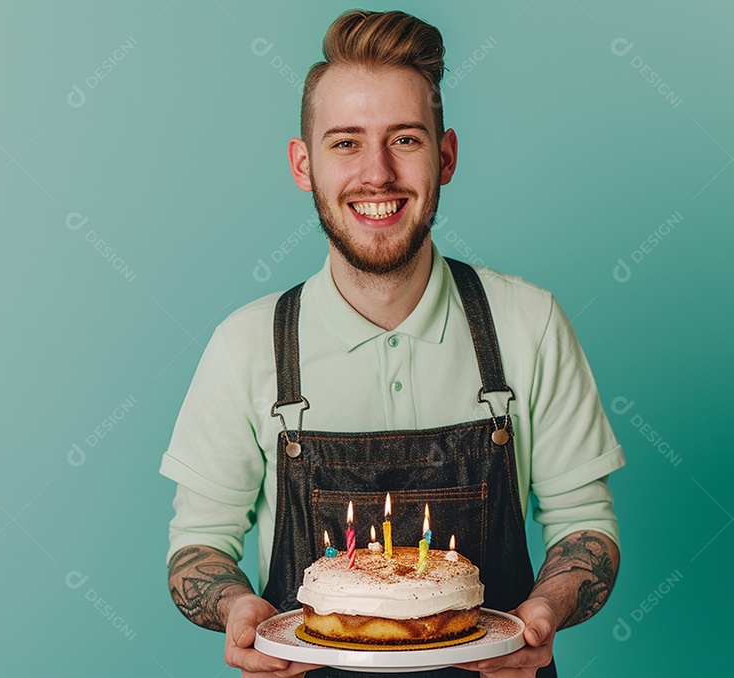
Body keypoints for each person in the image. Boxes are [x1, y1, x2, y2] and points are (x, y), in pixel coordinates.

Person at [161, 9, 624, 677]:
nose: (377, 173)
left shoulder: (530, 323)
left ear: (446, 156)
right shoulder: (247, 345)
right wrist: (236, 607)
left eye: (405, 139)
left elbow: (586, 526)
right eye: (345, 142)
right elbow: (198, 547)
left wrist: (545, 608)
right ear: (303, 164)